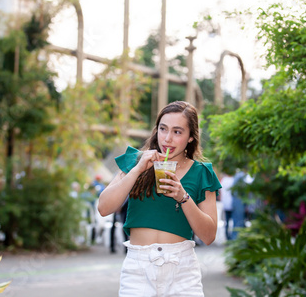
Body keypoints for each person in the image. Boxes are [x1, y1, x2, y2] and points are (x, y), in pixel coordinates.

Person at [98, 101, 222, 297]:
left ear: (191, 137)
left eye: (177, 132)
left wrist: (183, 197)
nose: (167, 139)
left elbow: (208, 236)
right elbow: (104, 207)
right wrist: (138, 169)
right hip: (138, 269)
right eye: (163, 129)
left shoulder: (202, 173)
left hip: (182, 270)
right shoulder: (136, 160)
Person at [219, 171, 235, 241]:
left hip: (225, 203)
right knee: (233, 221)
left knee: (227, 221)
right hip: (232, 203)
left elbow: (220, 191)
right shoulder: (233, 180)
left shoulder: (224, 180)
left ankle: (227, 236)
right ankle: (232, 237)